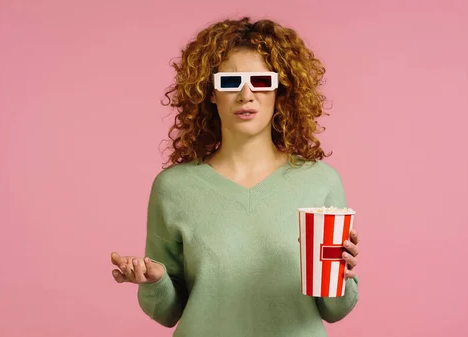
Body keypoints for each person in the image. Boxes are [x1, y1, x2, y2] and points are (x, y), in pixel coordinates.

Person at [110, 16, 360, 337]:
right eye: (229, 83)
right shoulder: (173, 187)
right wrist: (155, 281)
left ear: (279, 90)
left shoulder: (321, 181)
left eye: (260, 81)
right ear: (211, 93)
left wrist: (341, 275)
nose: (246, 95)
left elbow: (335, 310)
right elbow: (167, 312)